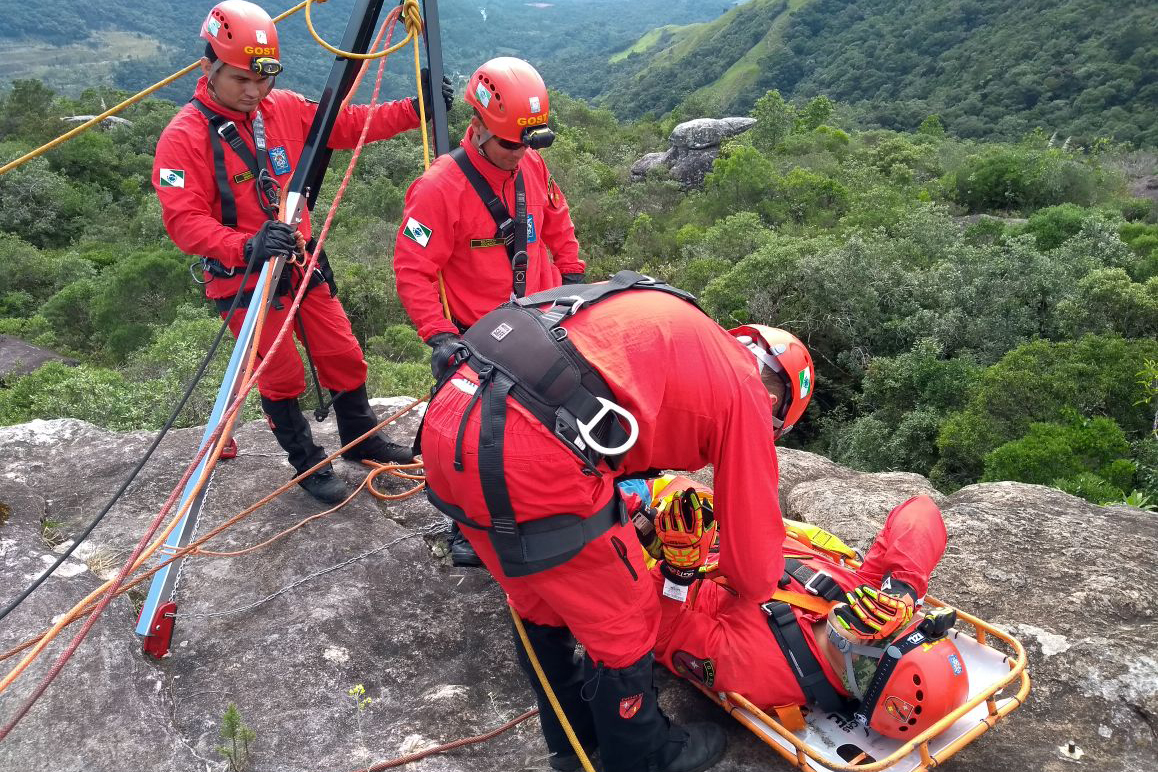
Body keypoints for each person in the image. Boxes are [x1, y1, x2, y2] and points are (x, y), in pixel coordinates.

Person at [417, 271, 814, 772]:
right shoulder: (746, 396)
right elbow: (754, 568)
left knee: (537, 595)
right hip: (527, 450)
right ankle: (643, 754)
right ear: (778, 409)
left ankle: (571, 742)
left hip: (452, 418)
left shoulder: (675, 326)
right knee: (626, 615)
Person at [153, 1, 453, 504]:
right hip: (242, 275)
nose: (253, 91)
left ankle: (363, 441)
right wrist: (245, 243)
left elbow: (345, 124)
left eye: (262, 78)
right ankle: (306, 462)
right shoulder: (183, 138)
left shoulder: (281, 107)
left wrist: (416, 108)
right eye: (240, 79)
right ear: (208, 68)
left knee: (344, 354)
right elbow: (184, 222)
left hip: (299, 260)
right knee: (280, 371)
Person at [393, 56, 584, 565]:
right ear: (476, 128)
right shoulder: (438, 189)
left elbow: (557, 223)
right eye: (509, 142)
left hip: (543, 320)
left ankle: (544, 506)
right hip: (479, 336)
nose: (519, 153)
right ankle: (466, 525)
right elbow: (413, 269)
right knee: (472, 438)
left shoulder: (532, 166)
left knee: (553, 424)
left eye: (528, 142)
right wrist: (438, 336)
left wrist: (575, 278)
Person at [643, 480, 970, 741]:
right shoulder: (863, 597)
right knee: (685, 492)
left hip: (667, 560)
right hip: (723, 526)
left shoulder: (758, 671)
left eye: (886, 638)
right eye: (903, 621)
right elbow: (920, 510)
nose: (882, 621)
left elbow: (660, 628)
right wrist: (903, 588)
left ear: (860, 681)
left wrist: (678, 569)